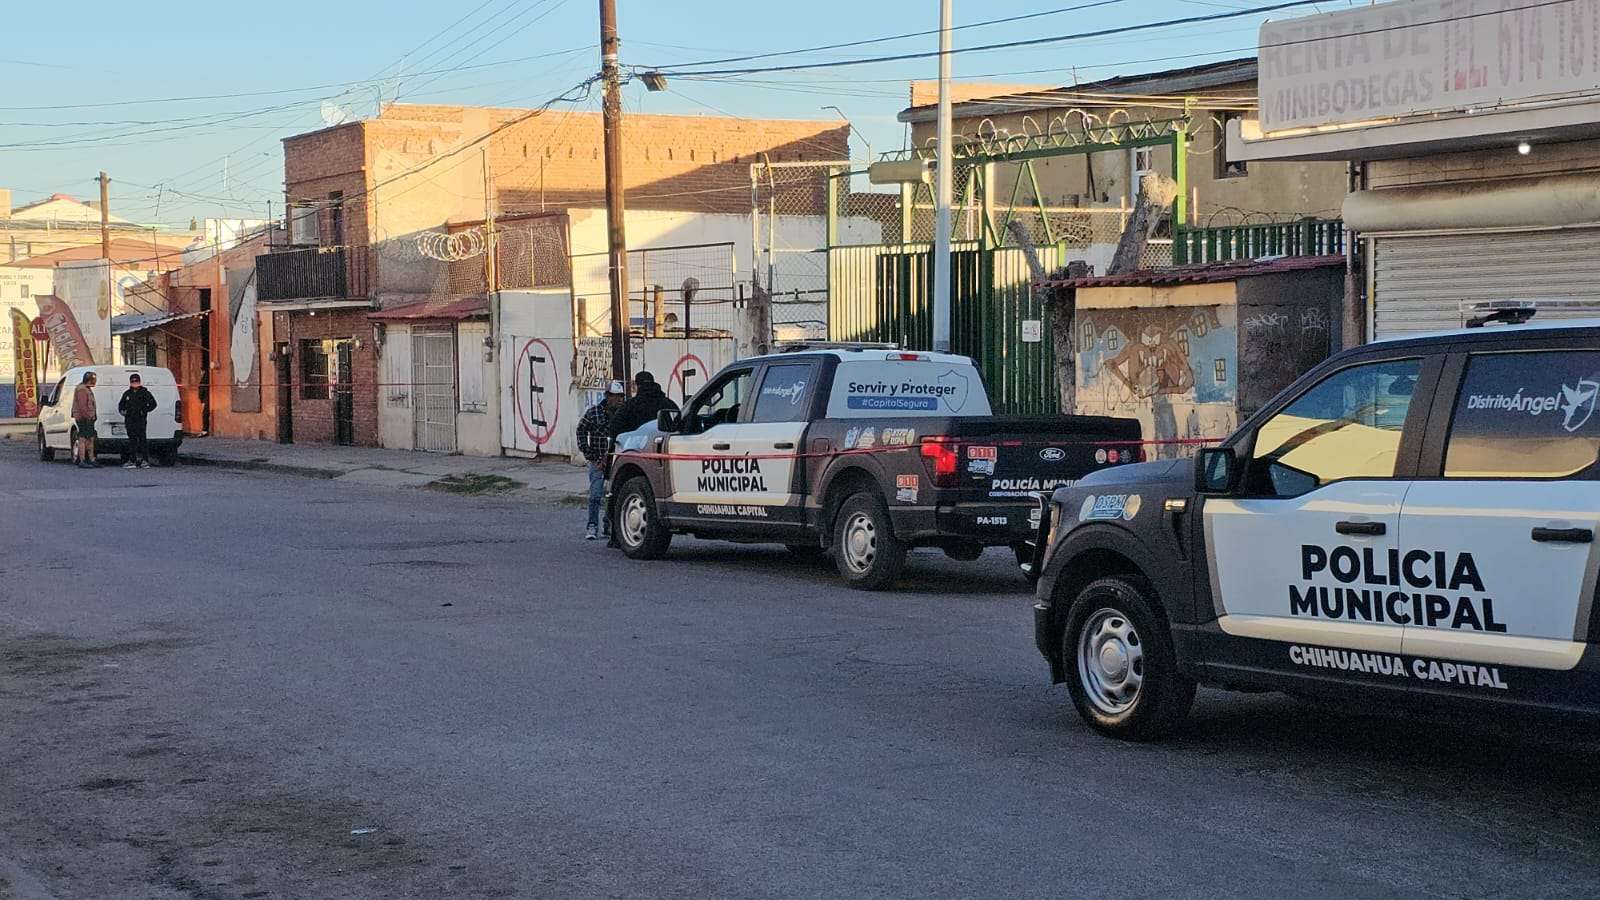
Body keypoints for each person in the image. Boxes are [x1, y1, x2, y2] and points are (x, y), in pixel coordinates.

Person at [576, 380, 626, 540]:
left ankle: (608, 525)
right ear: (607, 396)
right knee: (595, 495)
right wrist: (588, 453)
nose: (619, 399)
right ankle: (592, 526)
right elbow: (581, 430)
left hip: (616, 461)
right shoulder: (594, 413)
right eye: (616, 396)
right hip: (597, 461)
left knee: (614, 495)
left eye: (621, 396)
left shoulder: (624, 414)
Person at [607, 370, 679, 441]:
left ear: (637, 385)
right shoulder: (669, 404)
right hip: (664, 445)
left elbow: (614, 430)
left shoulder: (629, 406)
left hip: (636, 446)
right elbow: (678, 426)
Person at [118, 372, 159, 469]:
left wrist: (144, 411)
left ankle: (145, 460)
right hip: (129, 420)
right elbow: (121, 405)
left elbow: (153, 404)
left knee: (142, 440)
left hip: (140, 420)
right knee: (132, 441)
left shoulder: (145, 393)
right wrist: (123, 411)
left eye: (136, 381)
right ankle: (132, 460)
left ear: (139, 381)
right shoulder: (127, 393)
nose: (134, 382)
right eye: (132, 381)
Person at [70, 371, 98, 469]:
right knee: (83, 438)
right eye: (93, 379)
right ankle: (82, 460)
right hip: (84, 418)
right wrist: (87, 417)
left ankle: (91, 459)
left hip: (88, 418)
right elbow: (82, 406)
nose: (95, 381)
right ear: (89, 380)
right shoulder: (82, 389)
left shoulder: (87, 388)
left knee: (90, 438)